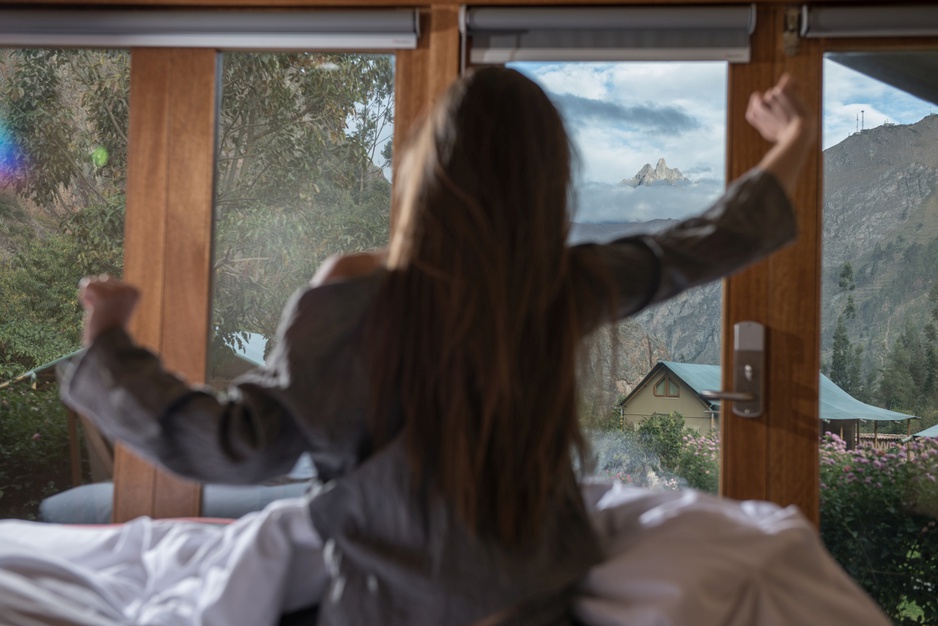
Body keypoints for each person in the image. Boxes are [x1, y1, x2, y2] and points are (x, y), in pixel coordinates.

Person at [60, 68, 814, 625]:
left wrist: (110, 343)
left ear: (427, 175)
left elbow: (238, 448)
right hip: (535, 607)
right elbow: (700, 243)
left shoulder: (353, 294)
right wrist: (794, 142)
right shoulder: (559, 288)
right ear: (548, 186)